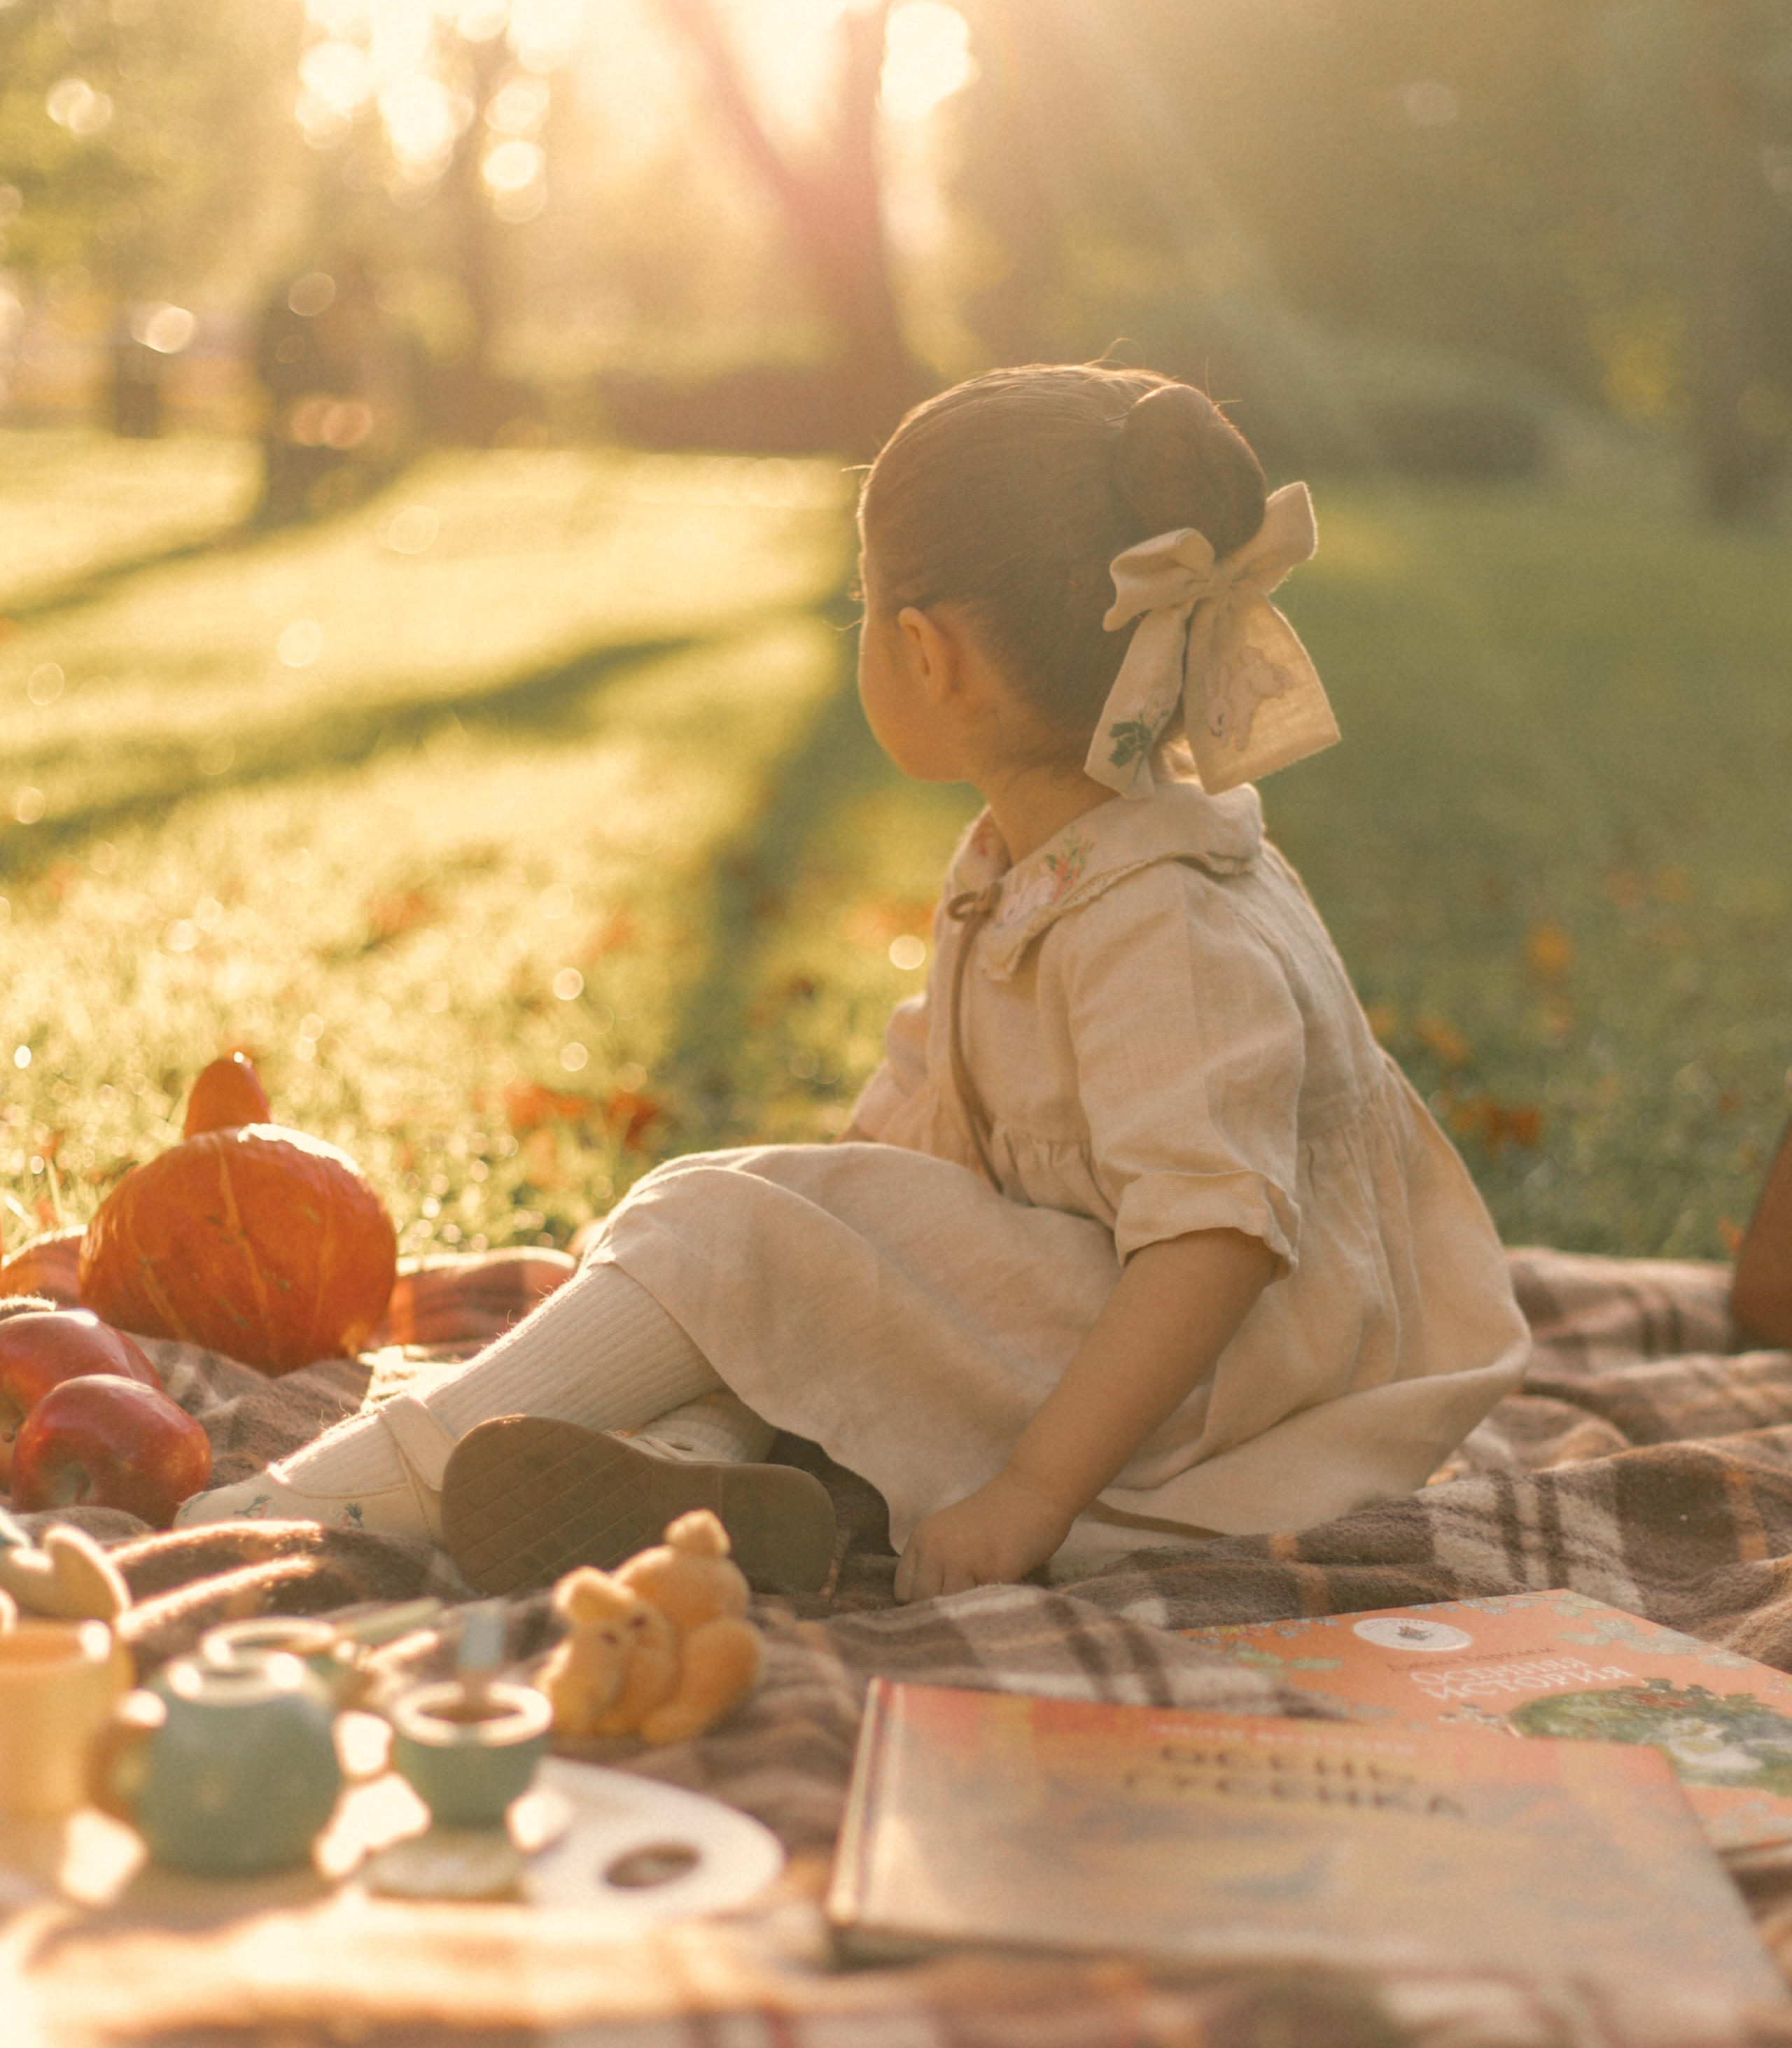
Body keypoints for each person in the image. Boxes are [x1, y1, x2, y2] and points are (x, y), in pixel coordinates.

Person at [182, 366, 1530, 1600]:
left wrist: (1028, 1497)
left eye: (863, 608)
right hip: (1130, 1342)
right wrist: (800, 1258)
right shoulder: (1050, 854)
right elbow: (928, 1111)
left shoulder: (1160, 923)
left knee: (717, 1225)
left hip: (1204, 1408)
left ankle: (361, 1491)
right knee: (741, 1226)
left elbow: (1213, 1242)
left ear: (930, 652)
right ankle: (708, 1473)